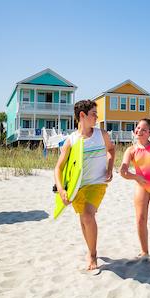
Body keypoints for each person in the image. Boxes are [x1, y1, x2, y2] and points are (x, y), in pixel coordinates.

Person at [54, 100, 115, 270]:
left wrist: (110, 167)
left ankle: (93, 255)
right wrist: (61, 189)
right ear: (82, 115)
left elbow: (111, 150)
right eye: (94, 114)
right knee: (83, 219)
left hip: (97, 184)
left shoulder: (101, 134)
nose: (97, 117)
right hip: (77, 187)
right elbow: (58, 168)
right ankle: (90, 250)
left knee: (88, 216)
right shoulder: (71, 141)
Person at [120, 108, 150, 258]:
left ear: (149, 133)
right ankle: (144, 251)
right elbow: (123, 172)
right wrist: (134, 176)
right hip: (141, 186)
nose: (139, 131)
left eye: (143, 129)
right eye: (138, 128)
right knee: (141, 219)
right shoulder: (131, 150)